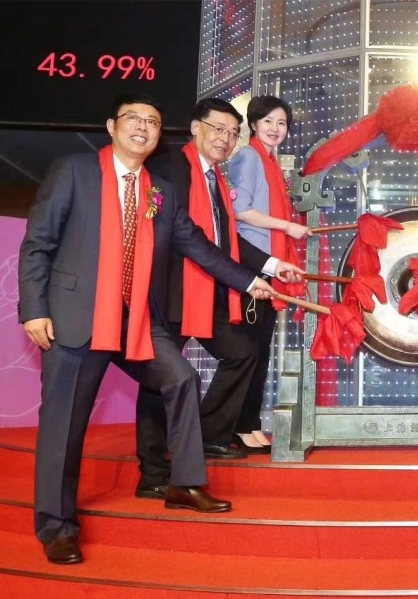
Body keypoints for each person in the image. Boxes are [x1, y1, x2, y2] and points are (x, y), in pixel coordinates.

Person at [18, 93, 276, 566]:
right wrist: (34, 309)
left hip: (135, 318)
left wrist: (249, 280)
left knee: (180, 377)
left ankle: (182, 483)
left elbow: (198, 245)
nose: (143, 127)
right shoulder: (73, 170)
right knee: (64, 426)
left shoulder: (161, 191)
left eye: (153, 122)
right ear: (112, 126)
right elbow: (38, 243)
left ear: (159, 135)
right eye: (134, 119)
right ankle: (57, 527)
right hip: (76, 318)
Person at [134, 98, 305, 500]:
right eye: (218, 129)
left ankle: (210, 433)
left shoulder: (216, 180)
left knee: (243, 351)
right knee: (160, 381)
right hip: (169, 294)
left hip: (208, 289)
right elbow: (186, 239)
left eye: (232, 132)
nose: (225, 139)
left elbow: (226, 241)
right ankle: (153, 472)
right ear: (196, 128)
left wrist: (272, 266)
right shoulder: (170, 170)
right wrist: (248, 280)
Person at [227, 95, 310, 452]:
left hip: (268, 261)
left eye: (282, 123)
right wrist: (287, 227)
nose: (276, 129)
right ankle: (239, 425)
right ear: (253, 124)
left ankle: (248, 422)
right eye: (268, 122)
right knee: (250, 348)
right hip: (252, 261)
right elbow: (240, 211)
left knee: (260, 349)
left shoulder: (273, 164)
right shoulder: (249, 157)